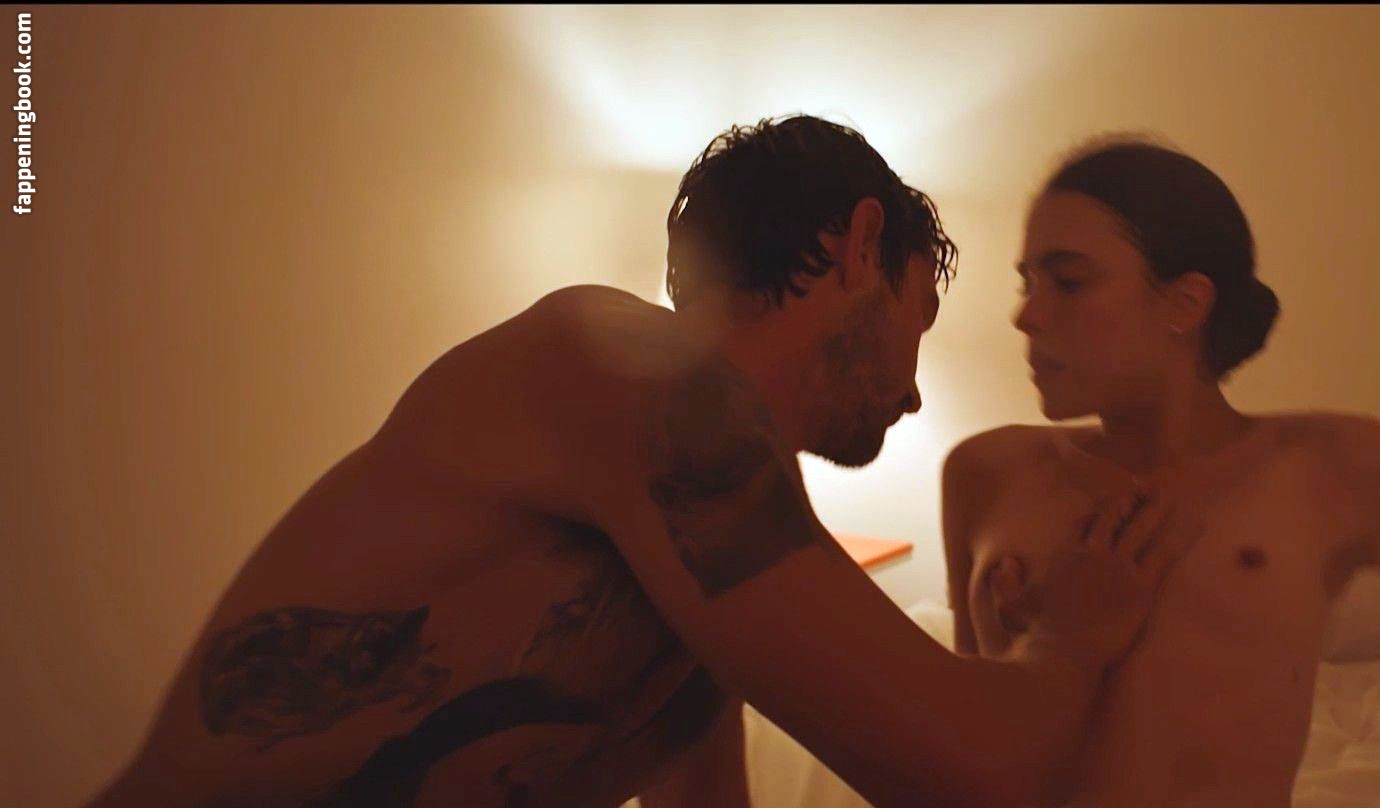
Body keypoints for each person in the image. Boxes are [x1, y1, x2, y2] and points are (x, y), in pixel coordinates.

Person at [85, 115, 1198, 808]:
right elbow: (972, 774)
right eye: (919, 319)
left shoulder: (703, 544)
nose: (912, 391)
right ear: (862, 248)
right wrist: (1069, 635)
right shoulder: (629, 370)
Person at [942, 138, 1380, 807]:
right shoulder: (986, 473)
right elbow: (957, 755)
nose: (1026, 315)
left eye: (1068, 282)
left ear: (1184, 304)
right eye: (1026, 283)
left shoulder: (1335, 465)